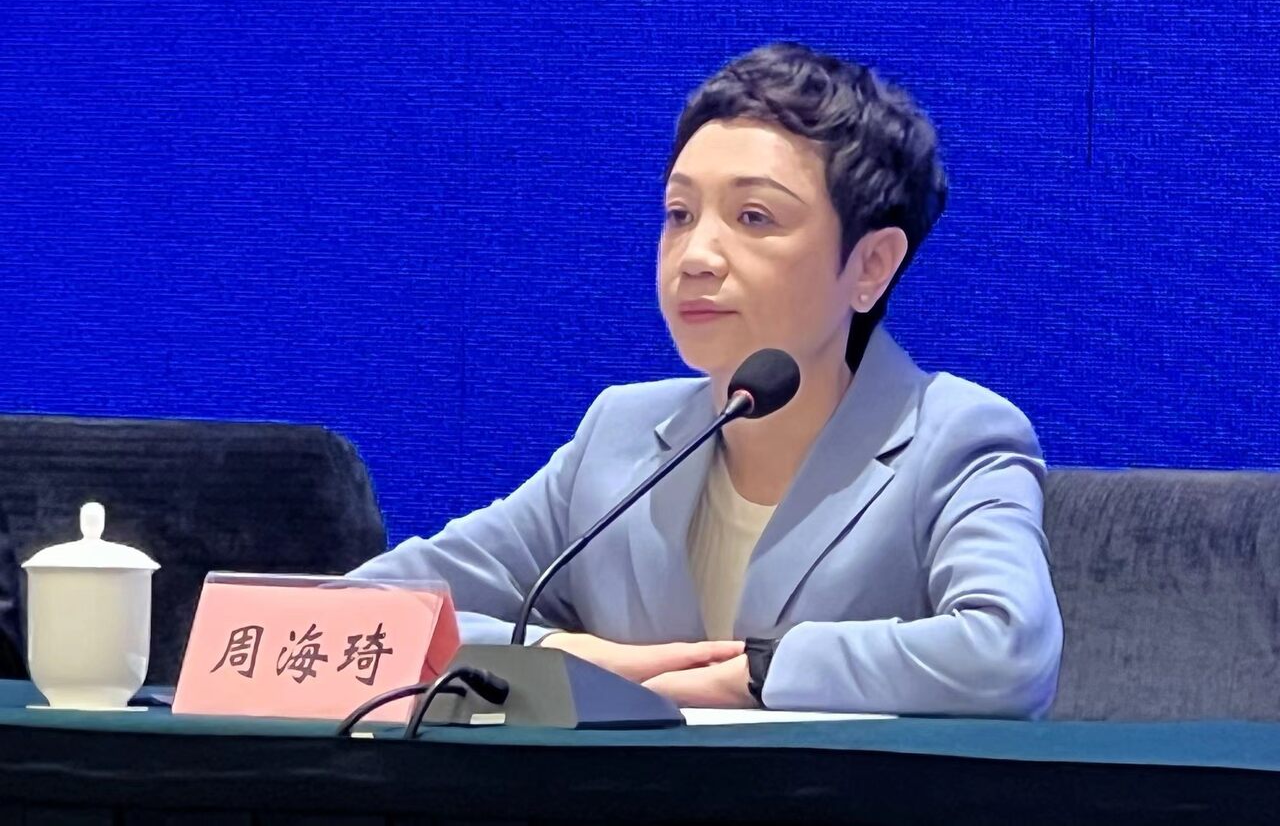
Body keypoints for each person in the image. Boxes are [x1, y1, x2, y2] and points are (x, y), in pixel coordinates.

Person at [350, 42, 1063, 716]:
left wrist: (760, 672)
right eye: (679, 214)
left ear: (870, 265)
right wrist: (566, 657)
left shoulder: (954, 437)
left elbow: (1008, 652)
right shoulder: (620, 436)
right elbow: (361, 611)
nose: (695, 255)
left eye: (754, 217)